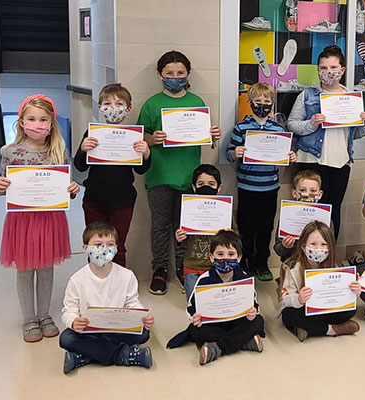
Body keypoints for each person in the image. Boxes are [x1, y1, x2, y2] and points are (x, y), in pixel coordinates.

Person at [0, 94, 80, 342]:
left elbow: (66, 187)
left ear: (51, 123)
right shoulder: (9, 152)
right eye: (31, 119)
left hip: (50, 219)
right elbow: (1, 187)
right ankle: (29, 319)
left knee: (46, 267)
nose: (37, 124)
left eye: (43, 119)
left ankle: (44, 315)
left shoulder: (59, 151)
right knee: (26, 269)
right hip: (23, 220)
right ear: (21, 122)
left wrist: (72, 190)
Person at [137, 50, 222, 295]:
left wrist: (213, 137)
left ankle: (184, 268)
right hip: (159, 176)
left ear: (188, 74)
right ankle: (160, 269)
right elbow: (140, 137)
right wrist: (153, 139)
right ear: (159, 75)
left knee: (186, 227)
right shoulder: (152, 104)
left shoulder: (197, 102)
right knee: (160, 226)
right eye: (169, 73)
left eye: (180, 73)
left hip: (190, 178)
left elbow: (206, 138)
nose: (175, 77)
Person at [287, 45, 365, 239]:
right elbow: (291, 124)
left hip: (341, 161)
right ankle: (306, 256)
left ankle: (328, 256)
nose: (328, 72)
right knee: (311, 211)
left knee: (334, 210)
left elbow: (356, 134)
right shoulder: (307, 95)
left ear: (342, 70)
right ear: (317, 70)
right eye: (324, 68)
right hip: (312, 160)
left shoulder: (351, 97)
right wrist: (311, 124)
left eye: (333, 68)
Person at [59, 222, 154, 374]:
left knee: (144, 333)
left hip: (117, 328)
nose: (104, 249)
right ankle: (124, 355)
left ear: (116, 248)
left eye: (110, 244)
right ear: (85, 248)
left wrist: (142, 316)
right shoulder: (77, 279)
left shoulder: (126, 275)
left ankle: (85, 356)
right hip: (89, 330)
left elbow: (132, 302)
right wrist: (73, 321)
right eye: (98, 244)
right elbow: (68, 310)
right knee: (66, 338)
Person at [74, 83, 151, 267]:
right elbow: (80, 166)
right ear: (100, 108)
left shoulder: (134, 136)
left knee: (117, 245)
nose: (113, 108)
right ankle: (94, 283)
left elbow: (140, 170)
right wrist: (83, 150)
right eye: (107, 103)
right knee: (95, 246)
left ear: (128, 108)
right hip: (94, 200)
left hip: (123, 202)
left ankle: (119, 285)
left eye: (119, 103)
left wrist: (146, 153)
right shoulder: (92, 134)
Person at [226, 82, 296, 281]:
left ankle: (262, 263)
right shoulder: (241, 127)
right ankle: (246, 262)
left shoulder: (278, 128)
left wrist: (290, 156)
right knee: (246, 227)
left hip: (270, 186)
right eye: (258, 102)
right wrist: (235, 153)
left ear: (273, 104)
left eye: (267, 102)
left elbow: (284, 153)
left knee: (266, 227)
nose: (262, 105)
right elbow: (229, 152)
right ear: (249, 103)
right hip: (247, 186)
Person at [167, 230, 265, 365]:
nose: (225, 259)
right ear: (211, 257)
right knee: (196, 329)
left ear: (239, 258)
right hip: (213, 323)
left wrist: (253, 312)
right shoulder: (203, 280)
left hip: (237, 321)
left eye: (231, 254)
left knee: (258, 321)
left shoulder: (244, 279)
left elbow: (254, 303)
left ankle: (216, 348)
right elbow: (191, 307)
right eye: (220, 254)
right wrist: (194, 317)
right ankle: (244, 342)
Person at [277, 221, 361, 342]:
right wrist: (299, 299)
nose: (318, 249)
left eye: (323, 244)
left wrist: (354, 291)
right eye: (313, 244)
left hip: (325, 308)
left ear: (330, 247)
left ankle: (309, 328)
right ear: (303, 246)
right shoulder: (293, 267)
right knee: (288, 315)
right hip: (304, 309)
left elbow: (344, 296)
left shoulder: (335, 266)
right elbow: (285, 299)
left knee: (351, 310)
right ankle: (331, 329)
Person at [175, 164, 225, 299]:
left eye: (211, 184)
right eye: (201, 184)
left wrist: (229, 234)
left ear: (219, 188)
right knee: (194, 302)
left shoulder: (225, 210)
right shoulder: (188, 210)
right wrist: (179, 239)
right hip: (193, 266)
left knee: (218, 301)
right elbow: (181, 242)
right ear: (194, 187)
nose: (206, 187)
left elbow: (235, 239)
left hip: (218, 266)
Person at [273, 169, 324, 263]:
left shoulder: (325, 219)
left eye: (313, 191)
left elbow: (331, 248)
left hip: (317, 264)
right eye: (302, 190)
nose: (308, 194)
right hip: (291, 263)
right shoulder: (287, 217)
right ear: (294, 193)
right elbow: (278, 249)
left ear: (319, 194)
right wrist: (285, 246)